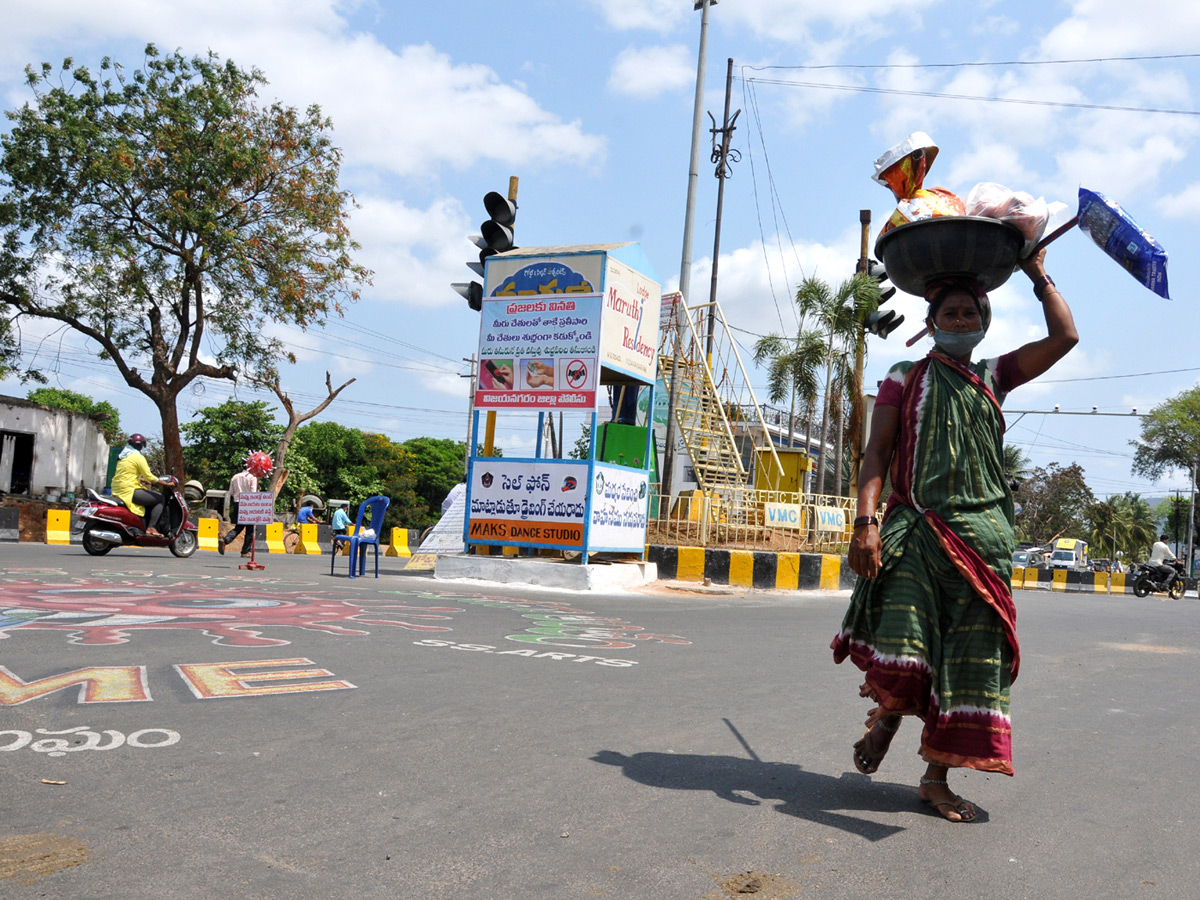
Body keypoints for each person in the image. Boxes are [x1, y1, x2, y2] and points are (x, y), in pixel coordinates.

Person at [831, 244, 1078, 823]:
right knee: (908, 648)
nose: (962, 322)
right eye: (952, 314)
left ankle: (935, 779)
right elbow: (876, 455)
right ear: (931, 322)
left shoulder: (996, 374)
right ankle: (886, 722)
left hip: (983, 544)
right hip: (915, 534)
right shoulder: (903, 376)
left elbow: (1064, 337)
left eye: (971, 314)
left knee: (967, 662)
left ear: (984, 321)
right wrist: (865, 523)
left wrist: (1038, 274)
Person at [110, 433, 165, 537]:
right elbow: (150, 476)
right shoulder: (138, 457)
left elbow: (127, 474)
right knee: (160, 499)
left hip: (118, 489)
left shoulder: (124, 455)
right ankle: (151, 527)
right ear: (141, 445)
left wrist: (142, 480)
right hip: (129, 490)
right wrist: (166, 483)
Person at [218, 463, 259, 557]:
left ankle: (226, 540)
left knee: (239, 526)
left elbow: (231, 492)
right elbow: (253, 493)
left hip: (237, 503)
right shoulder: (253, 477)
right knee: (250, 529)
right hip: (249, 504)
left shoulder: (235, 477)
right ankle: (245, 551)